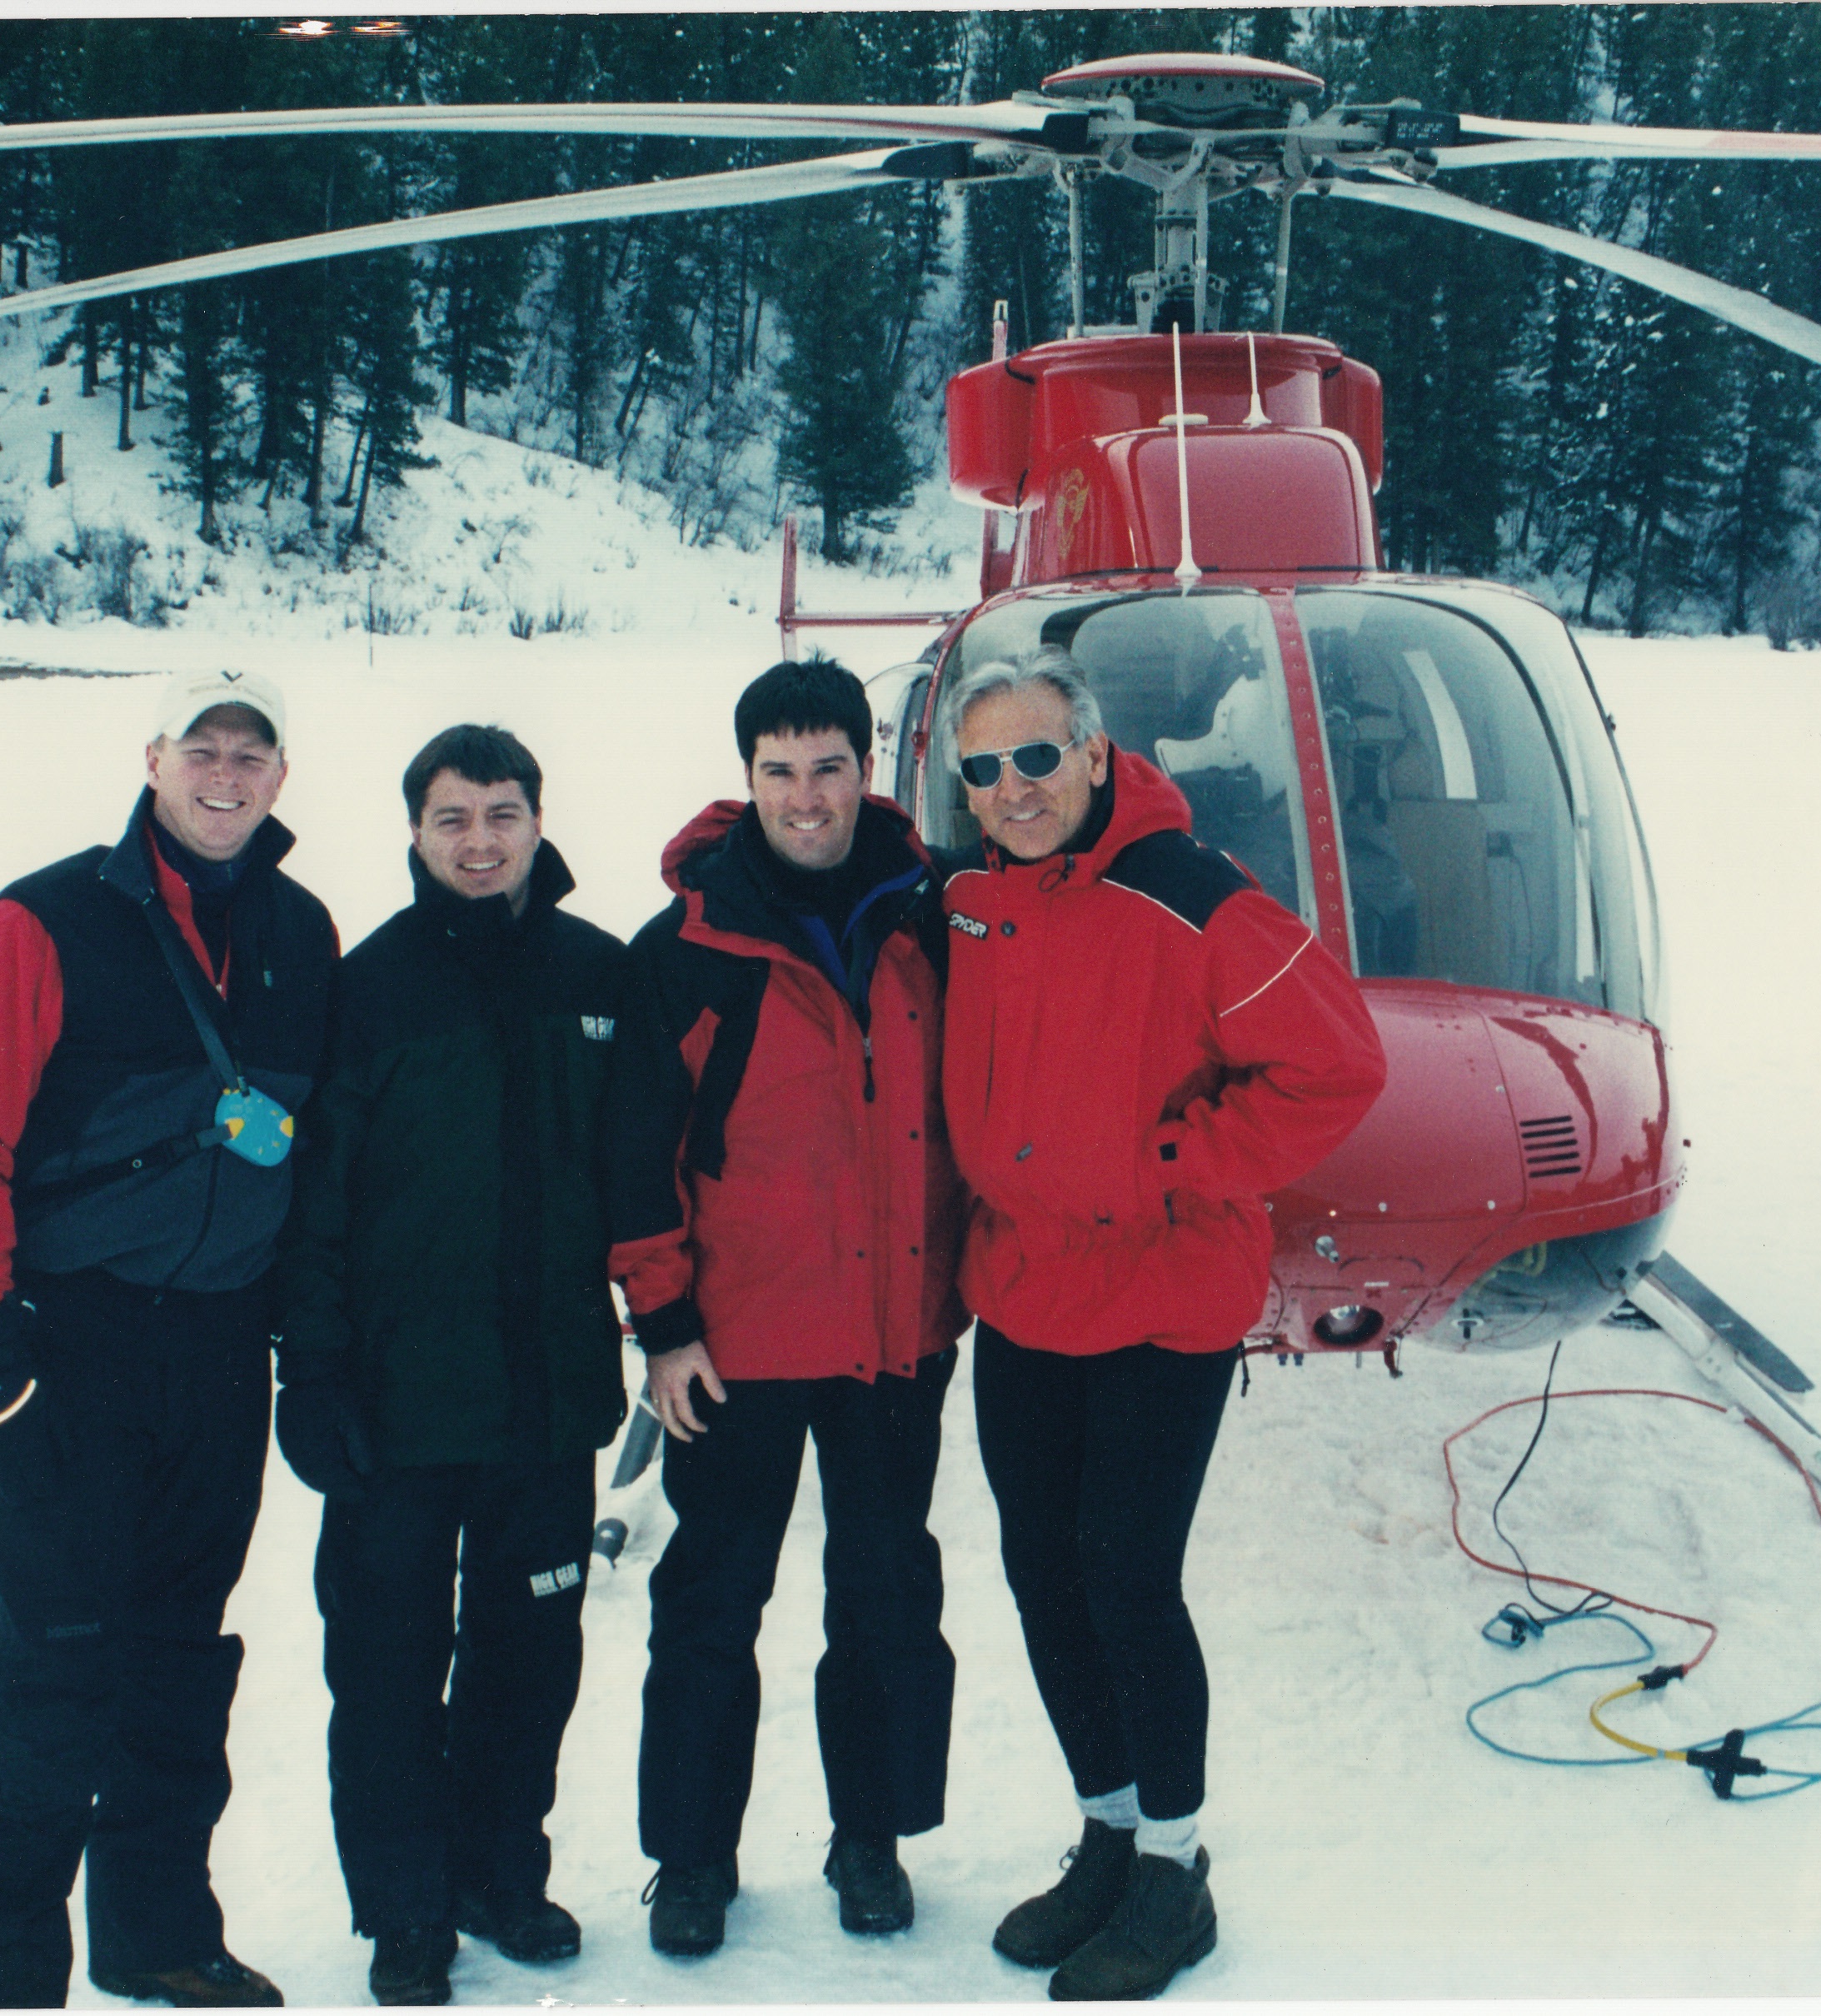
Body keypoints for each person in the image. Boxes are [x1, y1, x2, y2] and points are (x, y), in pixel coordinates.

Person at [938, 646, 1386, 2003]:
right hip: (1023, 1291)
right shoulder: (967, 899)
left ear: (1092, 754)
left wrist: (1176, 1165)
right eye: (982, 769)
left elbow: (1338, 1065)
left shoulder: (1195, 899)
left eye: (1034, 758)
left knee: (1125, 1575)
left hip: (1160, 1295)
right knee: (1040, 1572)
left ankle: (1176, 1871)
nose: (1012, 789)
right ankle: (1110, 1829)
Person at [0, 668, 336, 2009]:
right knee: (54, 1676)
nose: (224, 775)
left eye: (250, 754)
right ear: (152, 761)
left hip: (218, 1354)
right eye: (199, 748)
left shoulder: (302, 931)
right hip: (70, 1349)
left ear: (279, 778)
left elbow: (309, 1156)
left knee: (180, 1668)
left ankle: (160, 1940)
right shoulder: (45, 921)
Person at [609, 657, 969, 1959]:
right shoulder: (692, 948)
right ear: (745, 778)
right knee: (712, 1601)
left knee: (883, 1593)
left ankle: (868, 1837)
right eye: (780, 773)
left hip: (893, 1335)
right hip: (739, 1346)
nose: (807, 799)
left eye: (829, 769)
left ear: (865, 769)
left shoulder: (929, 917)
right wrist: (664, 1327)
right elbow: (634, 1155)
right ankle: (692, 1857)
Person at [271, 726, 631, 2008]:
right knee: (383, 1665)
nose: (479, 841)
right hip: (393, 1404)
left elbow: (640, 1177)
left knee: (528, 1656)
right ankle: (406, 1908)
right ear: (414, 831)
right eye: (451, 819)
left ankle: (500, 1875)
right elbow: (312, 1205)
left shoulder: (599, 975)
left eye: (503, 813)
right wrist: (306, 1376)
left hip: (546, 1397)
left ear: (540, 819)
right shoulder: (364, 989)